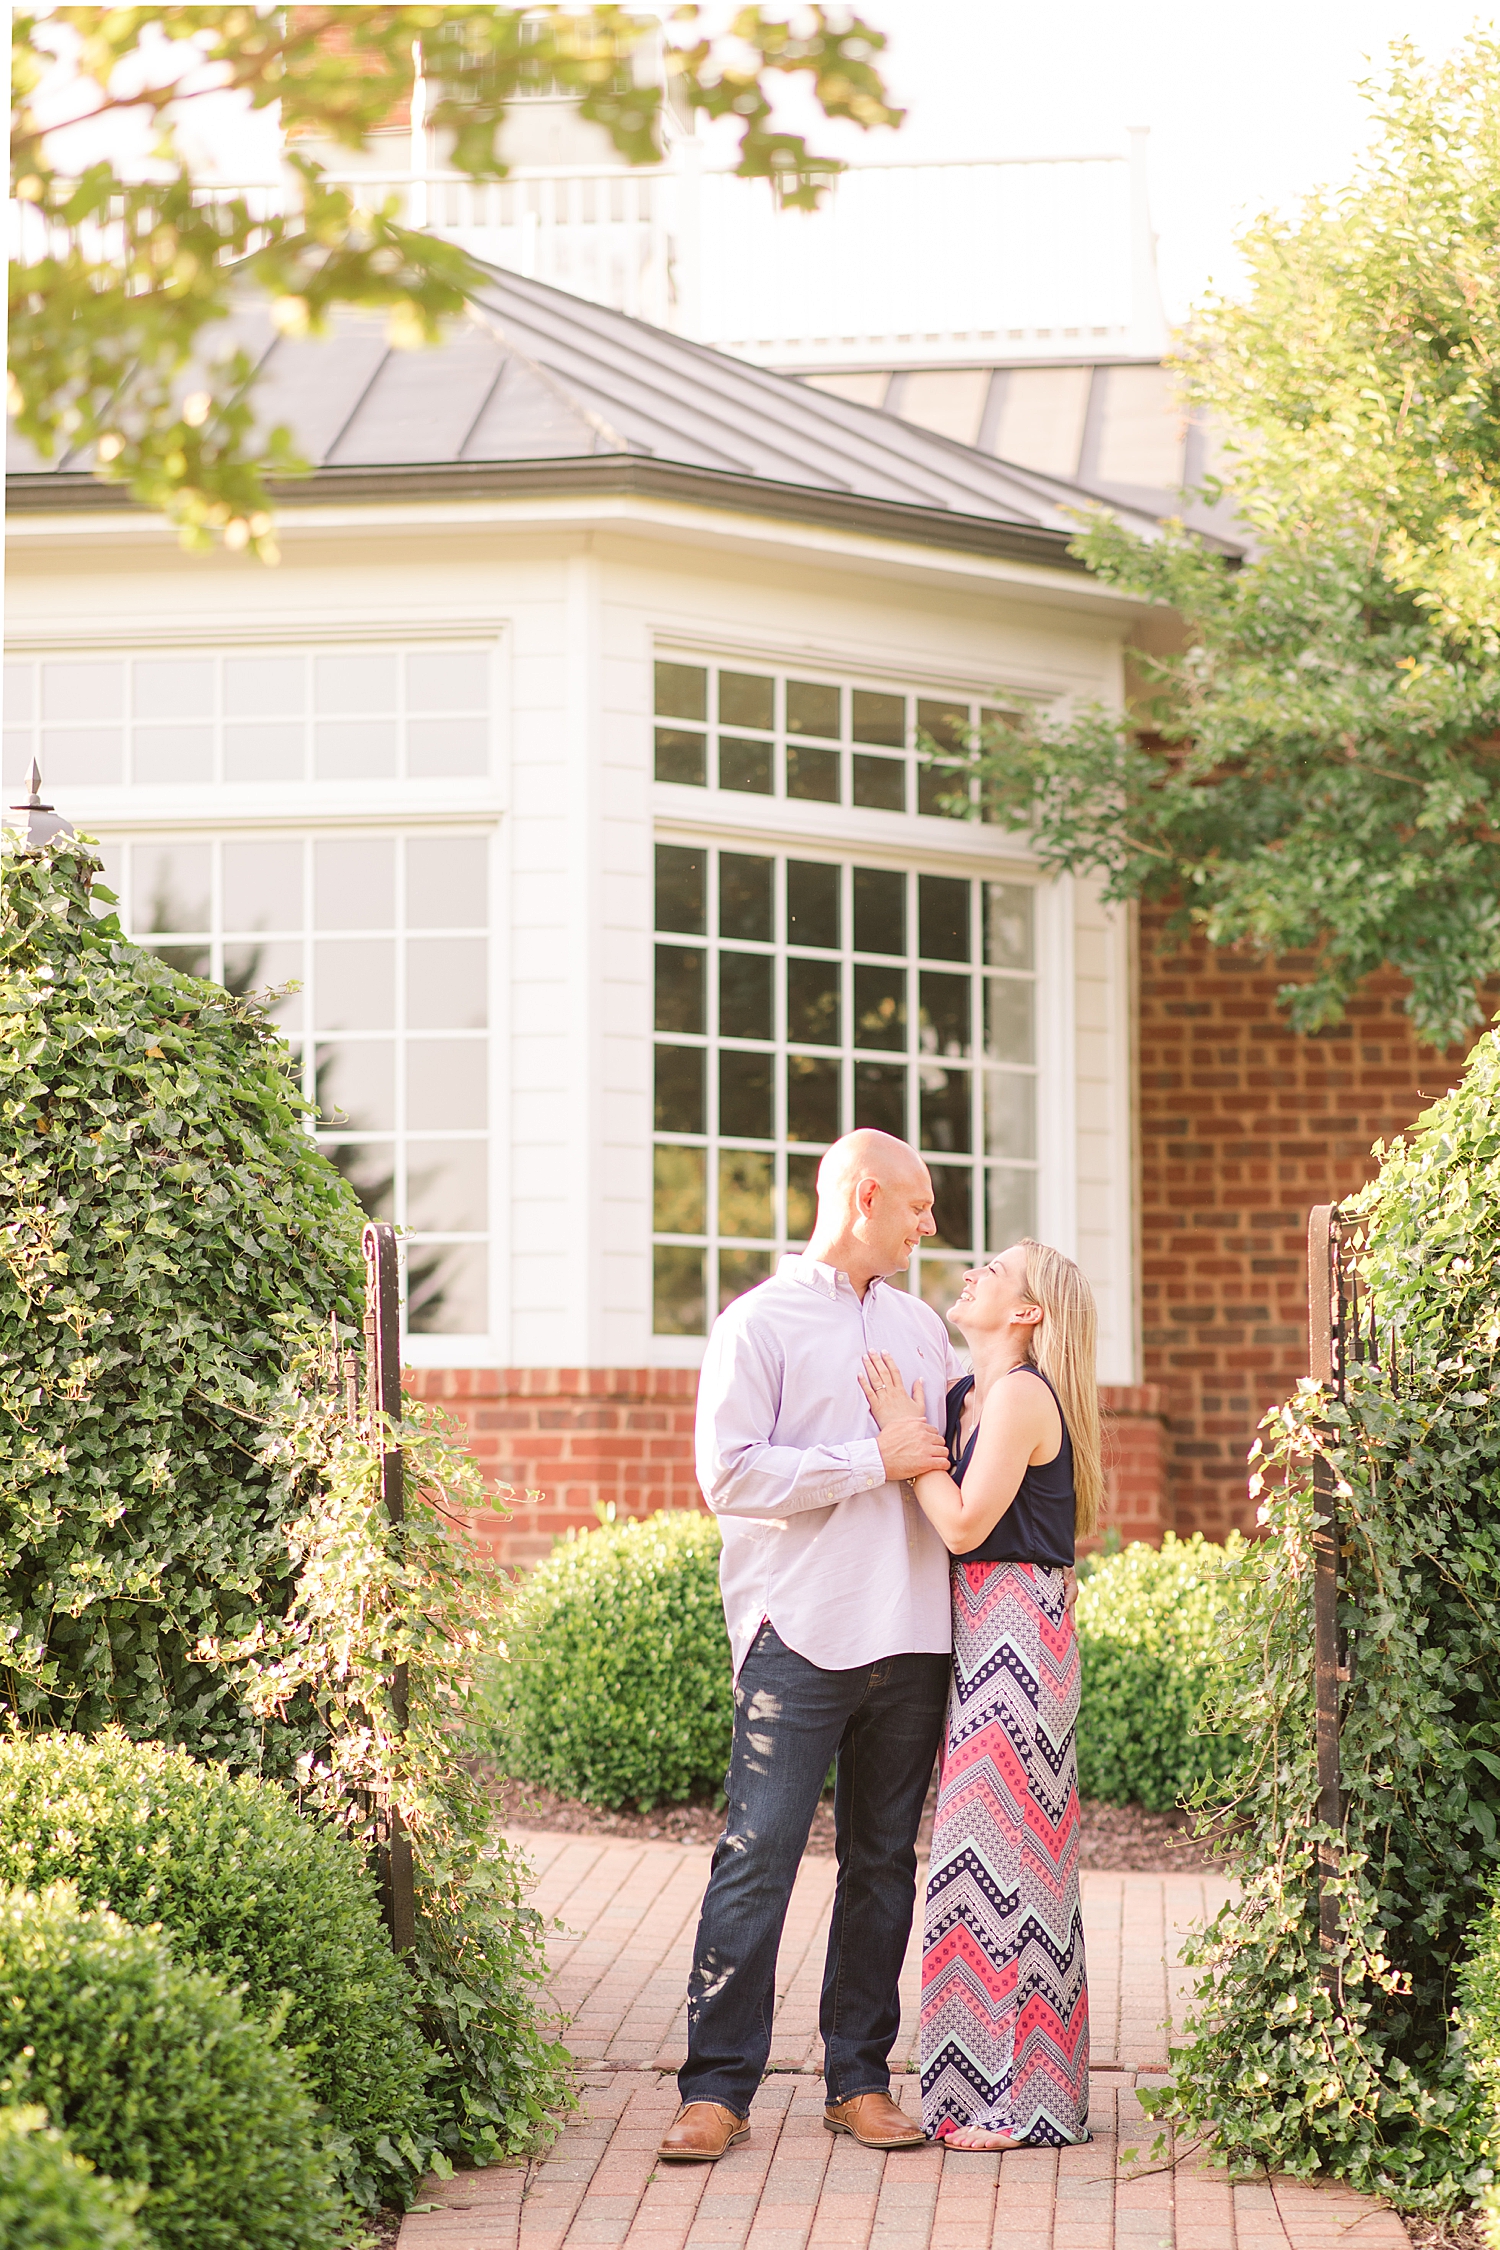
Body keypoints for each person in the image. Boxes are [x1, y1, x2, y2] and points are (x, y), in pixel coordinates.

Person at [656, 1129, 959, 2164]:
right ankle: (716, 2089)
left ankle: (859, 2080)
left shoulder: (924, 1329)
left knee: (882, 1862)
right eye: (917, 1204)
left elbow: (948, 1467)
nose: (930, 1223)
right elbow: (729, 1476)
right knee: (758, 1856)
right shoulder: (759, 1326)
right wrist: (868, 1459)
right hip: (801, 1631)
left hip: (917, 1633)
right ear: (865, 1195)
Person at [858, 1239, 1100, 2150]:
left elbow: (961, 1526)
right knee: (981, 1859)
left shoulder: (1022, 1395)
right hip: (980, 1633)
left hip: (1018, 1641)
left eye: (994, 1271)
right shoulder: (968, 1396)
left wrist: (902, 1441)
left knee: (999, 1854)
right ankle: (994, 2093)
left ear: (1028, 1312)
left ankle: (1016, 2100)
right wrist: (922, 1430)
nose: (972, 1273)